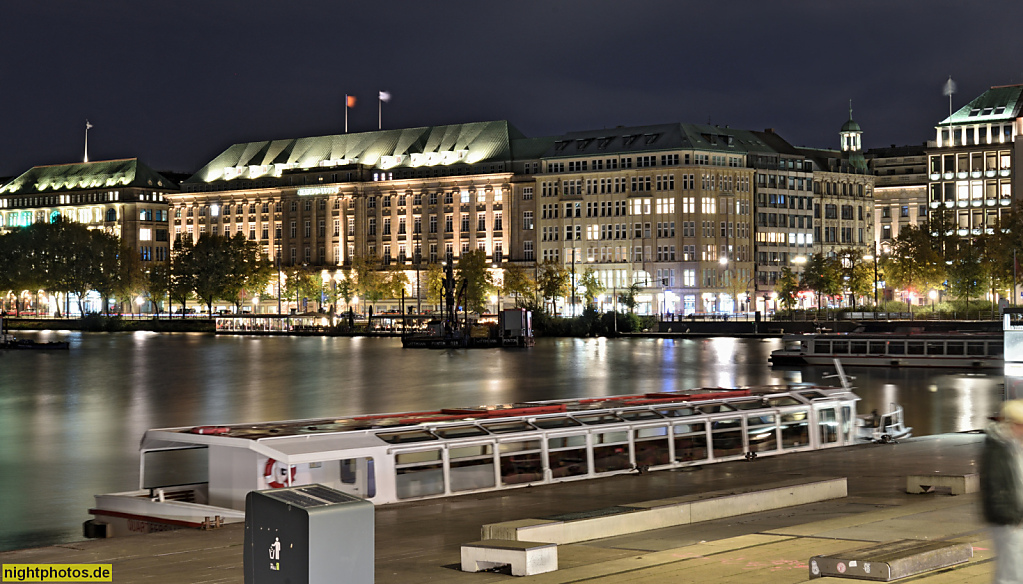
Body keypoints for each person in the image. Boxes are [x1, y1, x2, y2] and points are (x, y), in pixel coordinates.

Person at [980, 399, 1023, 584]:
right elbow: (995, 486)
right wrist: (1010, 516)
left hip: (1016, 519)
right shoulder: (998, 448)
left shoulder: (1012, 445)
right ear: (1011, 423)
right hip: (1008, 521)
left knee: (1014, 571)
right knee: (1010, 574)